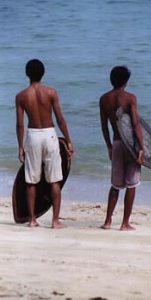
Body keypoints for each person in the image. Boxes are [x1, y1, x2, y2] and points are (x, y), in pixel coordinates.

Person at [15, 59, 73, 229]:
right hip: (49, 134)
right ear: (43, 73)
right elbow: (60, 119)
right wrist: (68, 140)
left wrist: (20, 146)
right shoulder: (51, 92)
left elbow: (19, 124)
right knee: (54, 179)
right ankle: (55, 221)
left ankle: (32, 220)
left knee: (31, 180)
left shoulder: (21, 96)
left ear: (27, 74)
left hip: (32, 135)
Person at [99, 66, 144, 231]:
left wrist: (109, 146)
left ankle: (107, 221)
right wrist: (141, 148)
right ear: (126, 81)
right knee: (131, 184)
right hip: (131, 145)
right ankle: (125, 223)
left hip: (117, 143)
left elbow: (104, 126)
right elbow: (135, 124)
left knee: (115, 185)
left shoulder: (104, 99)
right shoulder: (130, 98)